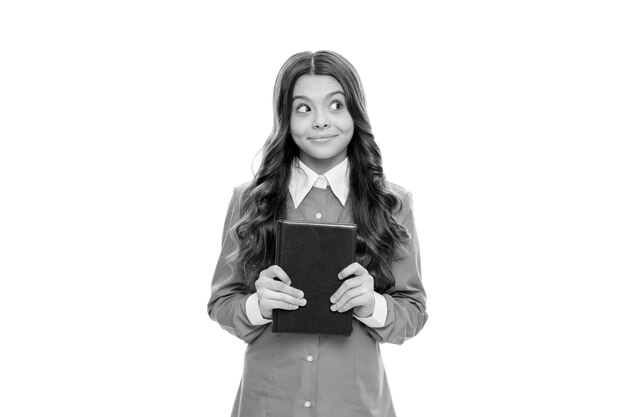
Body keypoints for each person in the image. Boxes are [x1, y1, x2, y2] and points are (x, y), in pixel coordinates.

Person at [207, 50, 427, 417]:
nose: (321, 121)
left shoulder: (392, 203)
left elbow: (414, 312)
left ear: (355, 112)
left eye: (336, 105)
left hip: (356, 405)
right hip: (268, 404)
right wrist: (257, 306)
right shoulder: (250, 200)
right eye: (304, 108)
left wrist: (373, 305)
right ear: (286, 118)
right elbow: (221, 303)